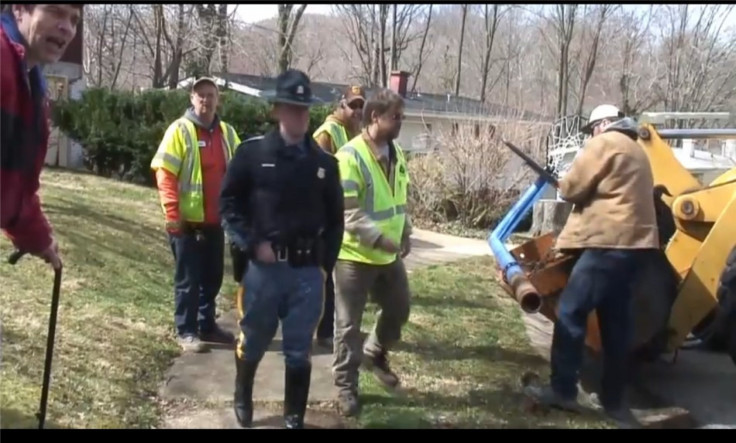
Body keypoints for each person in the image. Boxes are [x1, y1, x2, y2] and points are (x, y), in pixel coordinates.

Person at [219, 69, 344, 429]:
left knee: (298, 350)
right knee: (254, 339)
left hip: (307, 273)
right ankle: (243, 392)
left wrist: (324, 266)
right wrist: (251, 243)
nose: (300, 115)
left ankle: (293, 417)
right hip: (263, 272)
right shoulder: (253, 155)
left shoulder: (323, 165)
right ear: (277, 110)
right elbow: (228, 204)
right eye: (292, 108)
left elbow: (336, 222)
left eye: (305, 109)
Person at [525, 104, 660, 428]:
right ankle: (614, 401)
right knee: (616, 326)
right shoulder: (636, 148)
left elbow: (571, 189)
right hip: (636, 247)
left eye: (592, 129)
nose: (592, 134)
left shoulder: (604, 143)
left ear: (602, 125)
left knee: (571, 311)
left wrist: (563, 180)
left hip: (608, 244)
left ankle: (563, 391)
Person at [331, 88, 414, 417]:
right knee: (348, 326)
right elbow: (348, 213)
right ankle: (345, 386)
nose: (400, 123)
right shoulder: (349, 157)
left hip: (389, 256)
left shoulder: (397, 154)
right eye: (396, 117)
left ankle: (376, 352)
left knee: (399, 308)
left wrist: (405, 231)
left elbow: (399, 200)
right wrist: (381, 239)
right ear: (375, 116)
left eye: (401, 117)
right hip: (354, 257)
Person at [150, 77, 241, 353]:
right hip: (185, 223)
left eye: (210, 95)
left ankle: (207, 325)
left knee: (212, 278)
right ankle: (186, 330)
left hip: (216, 221)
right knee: (188, 280)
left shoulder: (227, 132)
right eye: (200, 95)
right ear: (192, 98)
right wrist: (172, 213)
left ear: (218, 99)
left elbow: (240, 169)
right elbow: (165, 173)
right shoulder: (180, 130)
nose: (205, 100)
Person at [1, 4, 83, 270]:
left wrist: (38, 237)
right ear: (18, 9)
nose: (67, 28)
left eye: (74, 19)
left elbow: (12, 184)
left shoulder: (30, 80)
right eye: (56, 12)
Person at [312, 85, 366, 348]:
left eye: (360, 106)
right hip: (325, 218)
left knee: (340, 278)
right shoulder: (328, 133)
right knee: (324, 277)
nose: (356, 110)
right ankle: (323, 332)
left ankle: (333, 329)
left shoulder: (352, 133)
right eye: (352, 105)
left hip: (343, 215)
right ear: (340, 105)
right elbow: (318, 178)